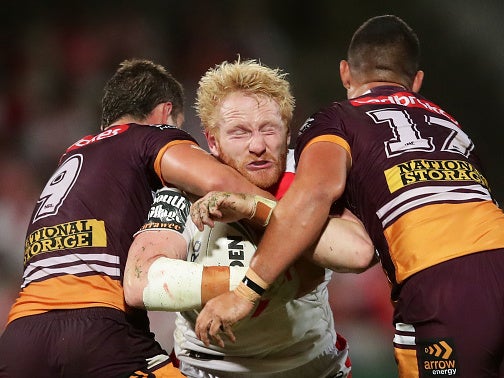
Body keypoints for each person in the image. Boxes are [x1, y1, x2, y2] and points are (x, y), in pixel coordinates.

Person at [193, 16, 504, 378]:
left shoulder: (337, 119)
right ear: (416, 81)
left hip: (440, 282)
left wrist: (246, 292)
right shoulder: (451, 123)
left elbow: (313, 196)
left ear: (345, 74)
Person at [0, 58, 273, 378]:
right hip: (98, 332)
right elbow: (222, 186)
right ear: (164, 114)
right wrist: (289, 215)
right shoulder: (149, 136)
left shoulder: (72, 156)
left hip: (20, 338)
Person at [123, 59, 375, 377]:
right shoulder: (184, 185)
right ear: (212, 141)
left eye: (268, 129)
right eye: (239, 133)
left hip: (312, 368)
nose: (257, 146)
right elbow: (140, 282)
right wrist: (258, 286)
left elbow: (357, 252)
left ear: (287, 134)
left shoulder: (309, 175)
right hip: (207, 370)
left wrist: (251, 206)